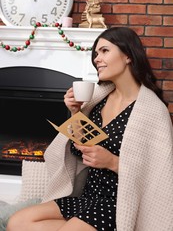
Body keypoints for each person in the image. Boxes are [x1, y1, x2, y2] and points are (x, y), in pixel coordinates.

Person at [6, 27, 173, 231]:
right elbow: (79, 149)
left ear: (128, 55)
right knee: (17, 222)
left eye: (104, 51)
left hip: (117, 203)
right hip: (88, 196)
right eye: (95, 54)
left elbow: (161, 175)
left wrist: (112, 162)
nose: (97, 59)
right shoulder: (98, 100)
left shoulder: (152, 110)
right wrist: (76, 112)